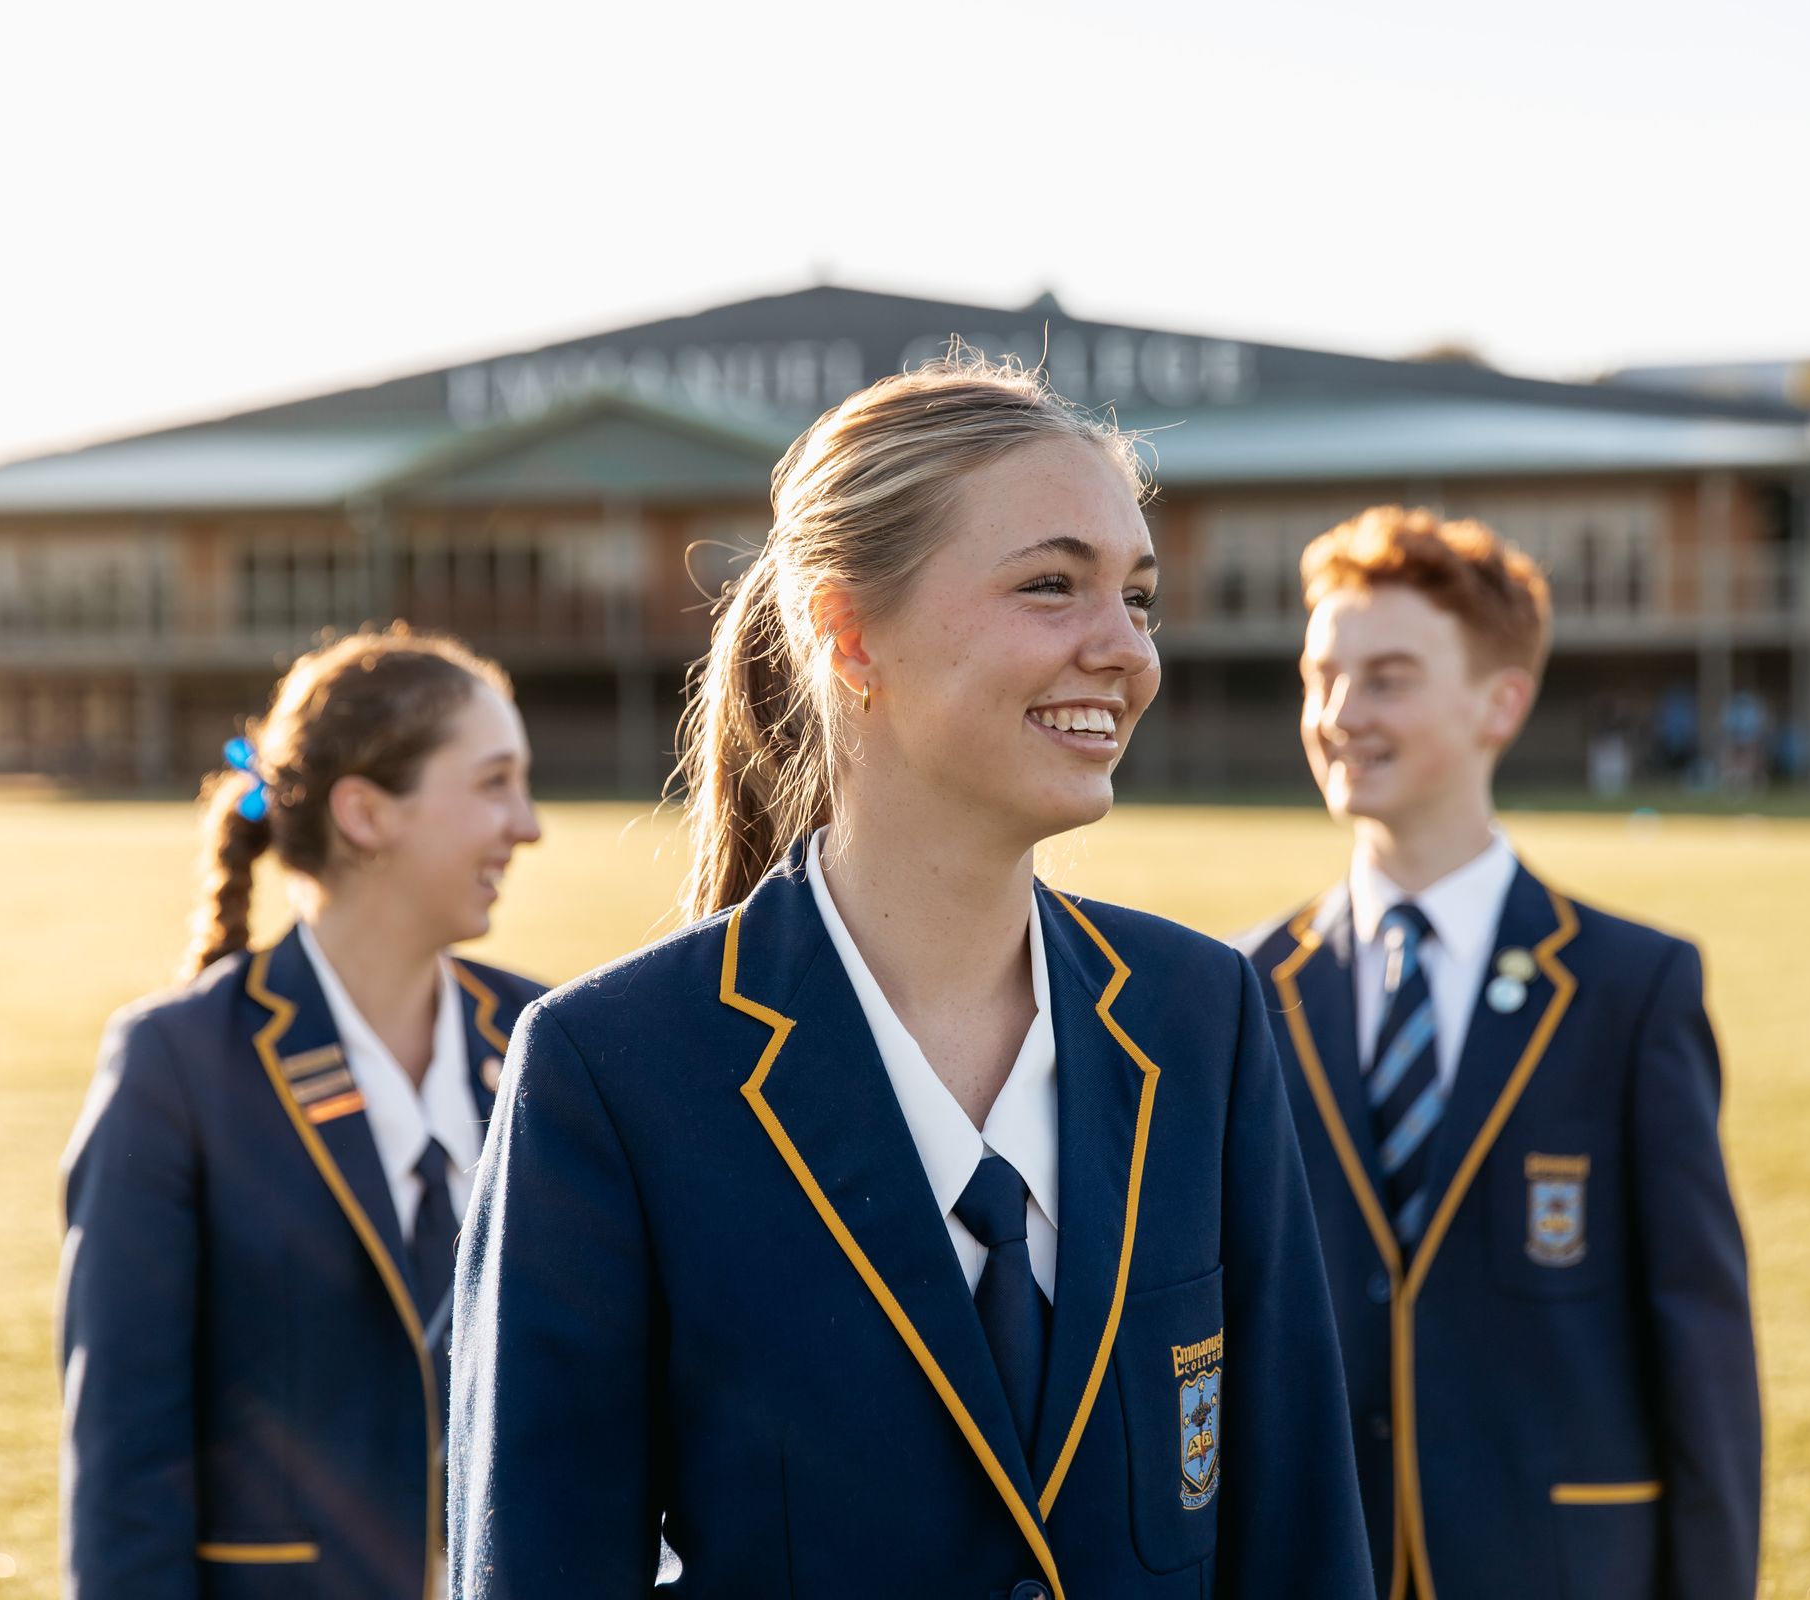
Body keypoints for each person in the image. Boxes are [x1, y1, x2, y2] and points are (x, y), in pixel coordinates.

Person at [448, 357, 1374, 1600]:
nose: (1125, 650)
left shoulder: (1203, 1019)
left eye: (1139, 598)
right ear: (849, 633)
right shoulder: (611, 1074)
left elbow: (1300, 1544)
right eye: (1052, 585)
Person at [1236, 507, 1761, 1600]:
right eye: (1318, 674)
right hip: (1318, 1561)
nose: (1339, 713)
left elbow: (1700, 1347)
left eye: (1386, 678)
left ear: (1501, 702)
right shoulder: (1244, 988)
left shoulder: (1631, 988)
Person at [58, 627, 548, 1599]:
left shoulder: (549, 1039)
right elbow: (127, 1452)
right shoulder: (176, 1065)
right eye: (494, 783)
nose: (527, 824)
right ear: (366, 812)